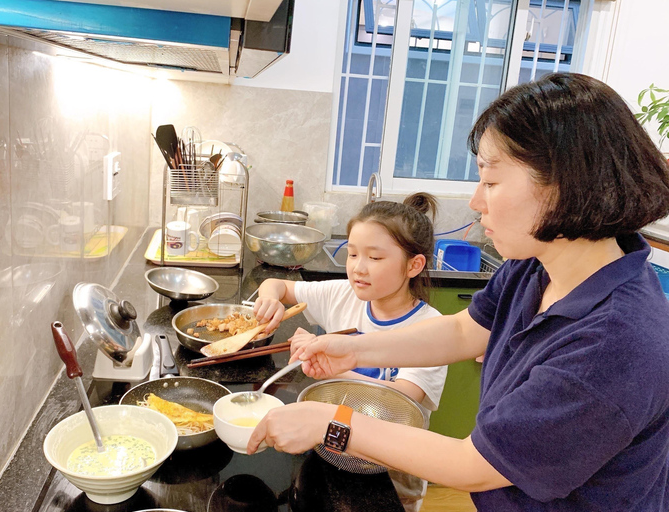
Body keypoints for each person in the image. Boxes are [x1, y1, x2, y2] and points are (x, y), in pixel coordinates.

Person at [247, 73, 669, 512]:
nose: (475, 201)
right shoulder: (536, 264)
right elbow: (464, 332)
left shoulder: (617, 343)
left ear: (564, 183)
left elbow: (475, 463)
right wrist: (357, 351)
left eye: (490, 181)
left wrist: (331, 424)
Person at [253, 193, 448, 510]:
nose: (358, 268)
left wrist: (331, 366)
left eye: (374, 258)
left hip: (391, 468)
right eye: (353, 254)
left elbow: (403, 399)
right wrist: (271, 298)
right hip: (333, 444)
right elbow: (277, 284)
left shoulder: (431, 328)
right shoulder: (343, 294)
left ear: (414, 265)